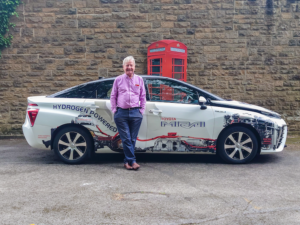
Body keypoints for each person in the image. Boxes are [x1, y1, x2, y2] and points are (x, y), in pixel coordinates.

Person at [110, 56, 146, 170]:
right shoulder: (118, 80)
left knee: (132, 139)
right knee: (126, 139)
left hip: (136, 113)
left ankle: (127, 162)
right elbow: (113, 96)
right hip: (121, 114)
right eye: (127, 65)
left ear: (134, 67)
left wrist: (141, 111)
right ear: (123, 67)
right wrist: (115, 110)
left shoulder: (139, 80)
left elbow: (143, 96)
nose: (129, 67)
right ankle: (133, 161)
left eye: (131, 65)